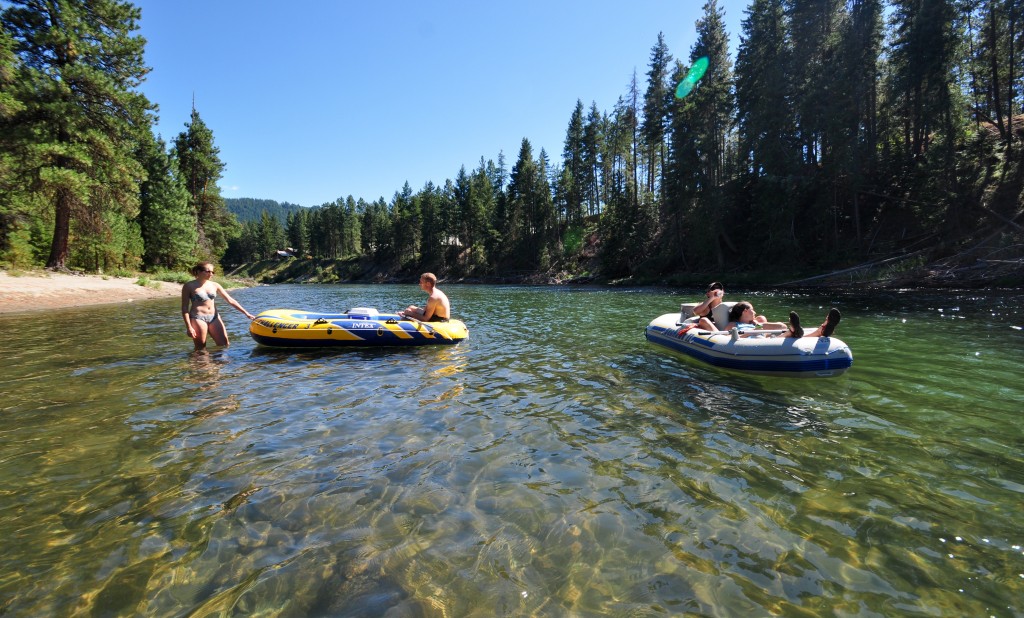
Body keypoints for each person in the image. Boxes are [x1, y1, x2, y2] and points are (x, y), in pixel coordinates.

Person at [181, 262, 256, 350]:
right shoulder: (189, 286)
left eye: (212, 272)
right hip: (197, 318)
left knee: (224, 345)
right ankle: (201, 363)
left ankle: (218, 363)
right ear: (198, 271)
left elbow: (230, 300)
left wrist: (246, 313)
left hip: (214, 317)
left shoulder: (215, 285)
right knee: (200, 349)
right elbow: (184, 307)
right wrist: (189, 327)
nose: (211, 274)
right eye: (207, 271)